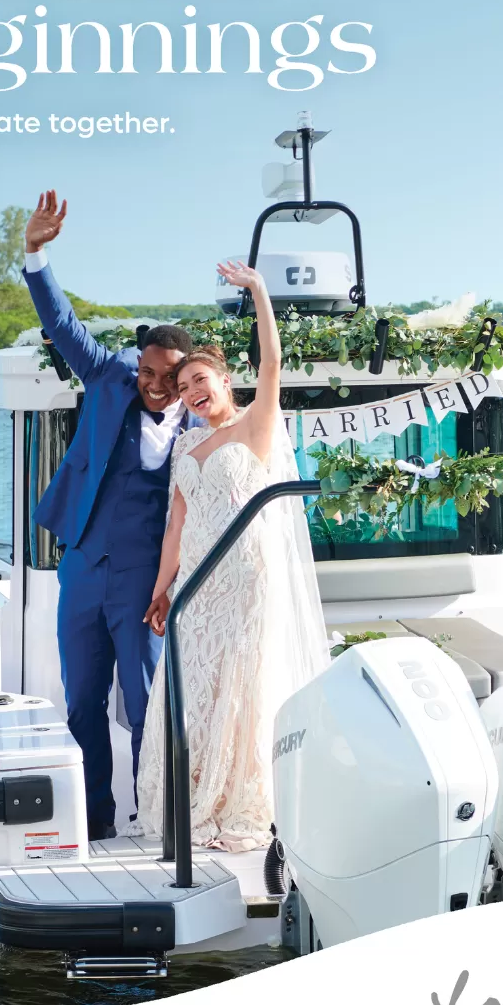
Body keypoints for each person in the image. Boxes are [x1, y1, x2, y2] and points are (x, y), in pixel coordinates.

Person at [130, 260, 330, 852]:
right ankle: (192, 798)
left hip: (245, 578)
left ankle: (236, 800)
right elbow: (175, 527)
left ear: (223, 381)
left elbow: (272, 361)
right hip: (196, 584)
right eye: (184, 386)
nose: (192, 392)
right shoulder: (186, 443)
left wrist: (259, 291)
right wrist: (162, 589)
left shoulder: (255, 426)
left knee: (239, 688)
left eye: (200, 381)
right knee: (196, 687)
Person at [22, 190, 198, 842]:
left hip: (145, 584)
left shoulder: (200, 423)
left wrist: (170, 582)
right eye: (148, 370)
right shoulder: (106, 378)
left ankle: (157, 817)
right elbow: (64, 325)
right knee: (83, 703)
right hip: (84, 572)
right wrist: (36, 253)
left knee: (149, 704)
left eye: (168, 375)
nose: (154, 383)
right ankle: (96, 817)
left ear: (187, 377)